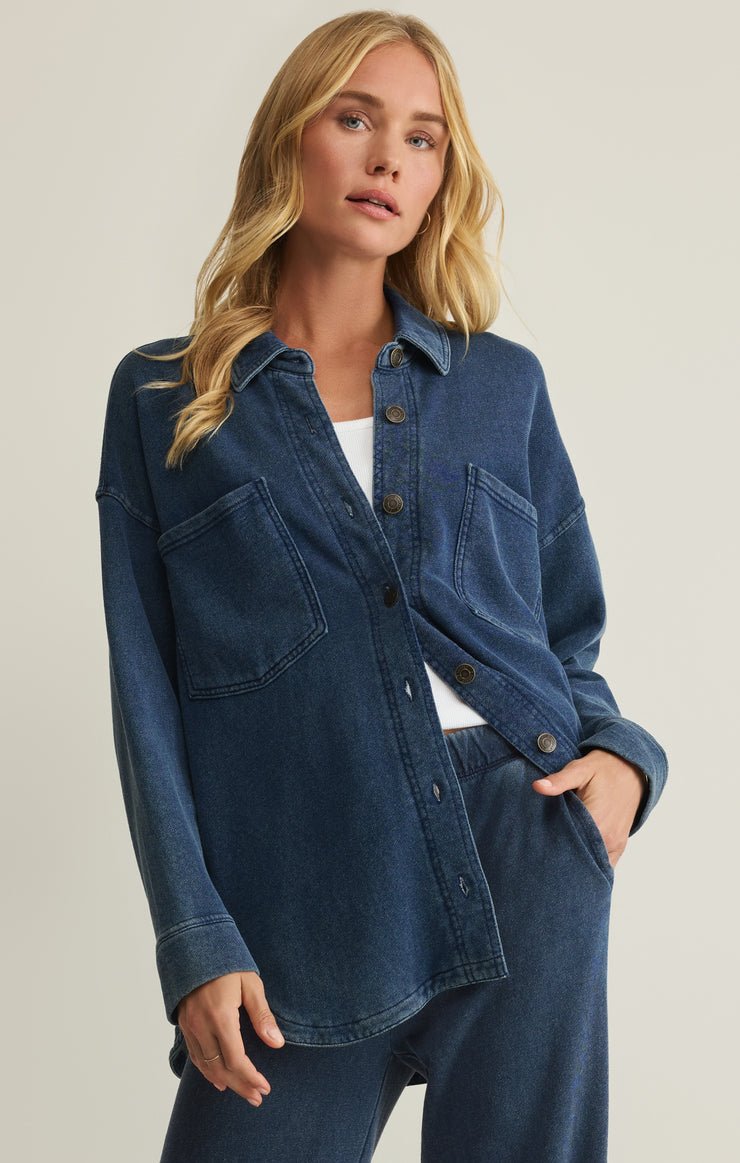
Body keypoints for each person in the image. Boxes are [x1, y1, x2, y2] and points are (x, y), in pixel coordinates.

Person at [94, 10, 668, 1161]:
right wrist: (194, 933)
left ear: (440, 175)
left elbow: (564, 631)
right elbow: (145, 693)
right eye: (354, 119)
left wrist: (623, 763)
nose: (387, 160)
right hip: (301, 879)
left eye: (421, 138)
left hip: (523, 846)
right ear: (290, 139)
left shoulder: (501, 386)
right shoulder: (166, 399)